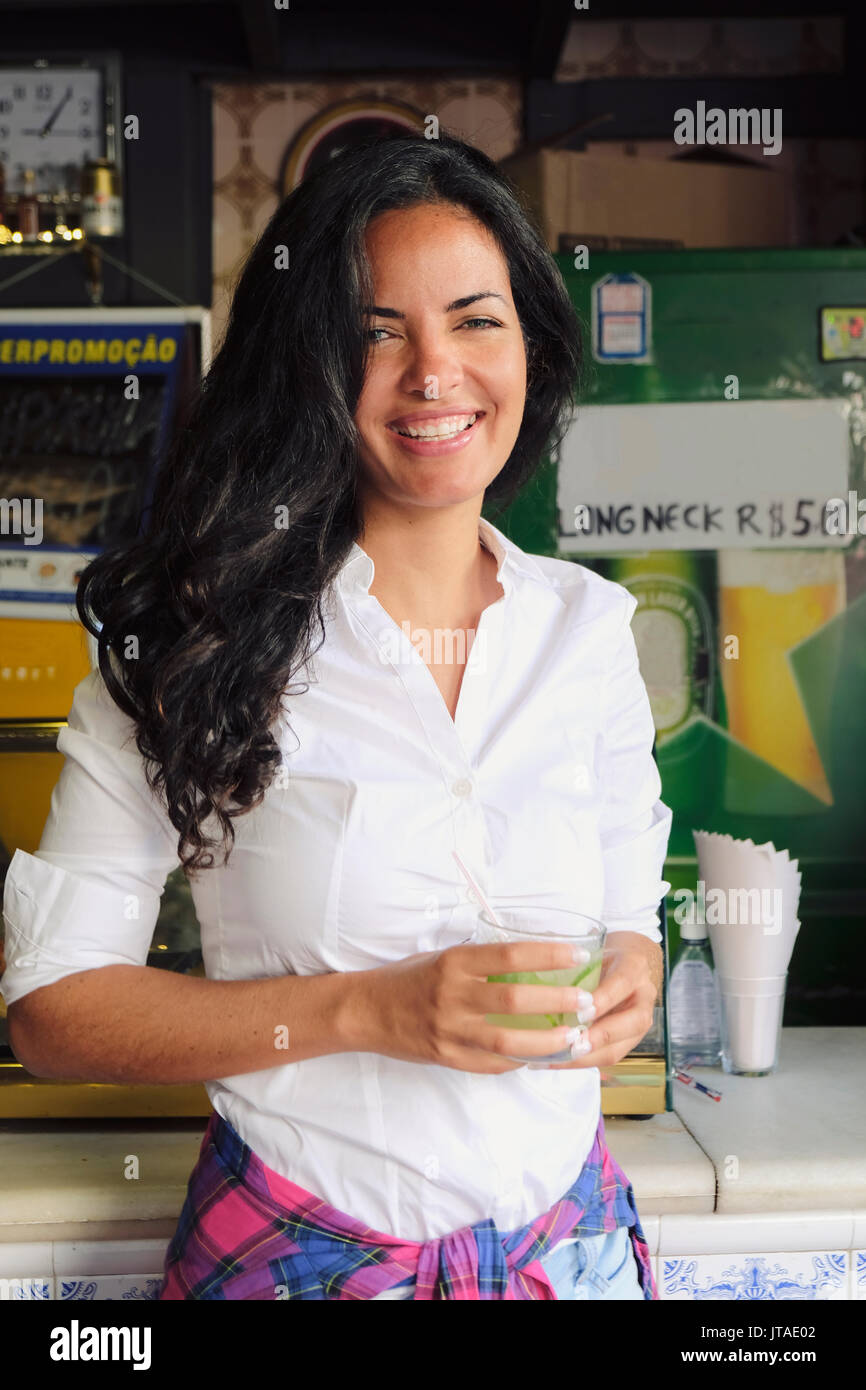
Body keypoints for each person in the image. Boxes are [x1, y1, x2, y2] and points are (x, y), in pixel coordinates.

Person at [1, 132, 672, 1300]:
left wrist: (632, 969)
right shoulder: (192, 644)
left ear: (531, 346)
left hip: (572, 1254)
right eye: (376, 333)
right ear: (309, 363)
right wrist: (371, 1009)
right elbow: (55, 1009)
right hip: (301, 1264)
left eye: (475, 318)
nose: (434, 372)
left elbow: (623, 923)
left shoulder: (589, 634)